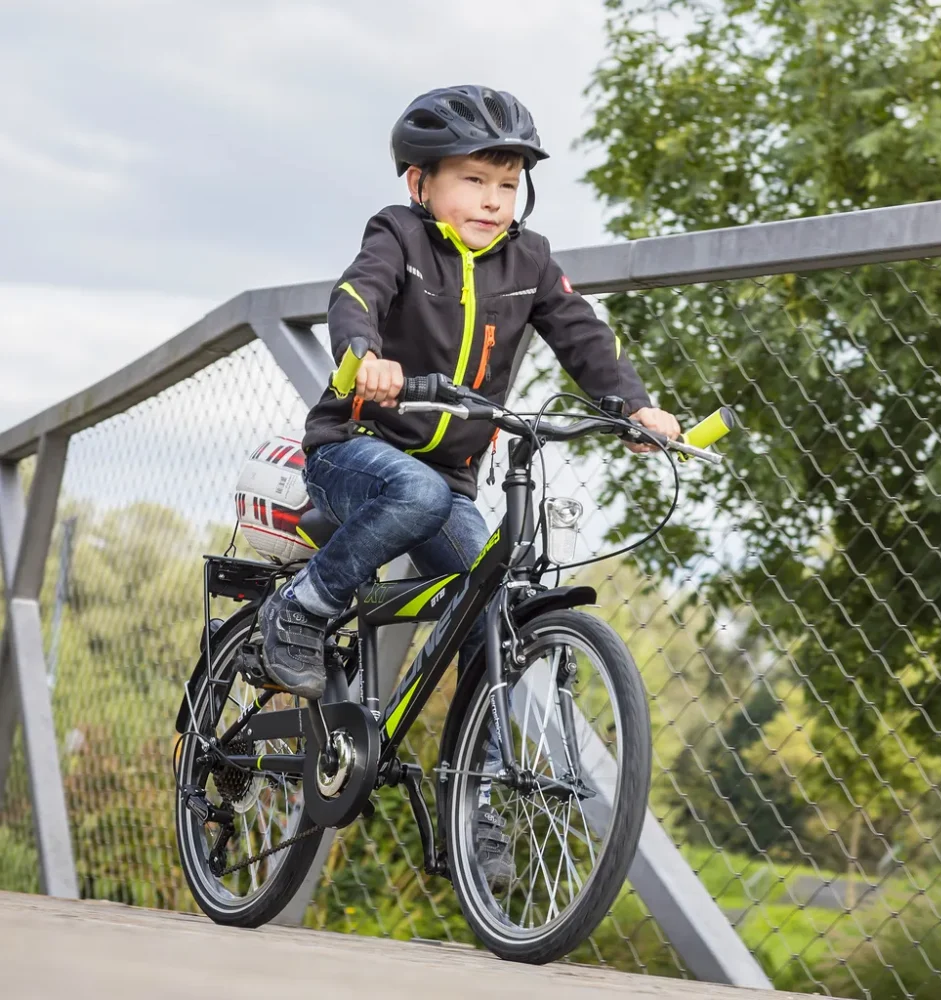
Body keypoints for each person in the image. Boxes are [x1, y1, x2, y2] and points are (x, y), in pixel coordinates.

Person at [259, 85, 680, 879]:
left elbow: (582, 335)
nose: (493, 201)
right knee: (412, 496)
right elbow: (355, 297)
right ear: (421, 184)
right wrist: (365, 359)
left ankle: (473, 803)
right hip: (358, 444)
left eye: (507, 184)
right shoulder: (398, 236)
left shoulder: (531, 260)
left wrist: (636, 407)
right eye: (472, 181)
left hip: (452, 472)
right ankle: (302, 609)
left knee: (493, 599)